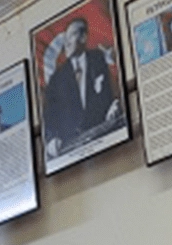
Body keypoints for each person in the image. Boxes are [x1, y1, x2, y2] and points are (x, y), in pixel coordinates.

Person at [42, 17, 122, 158]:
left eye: (71, 36)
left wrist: (116, 102)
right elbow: (50, 115)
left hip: (106, 139)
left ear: (84, 37)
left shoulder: (100, 59)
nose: (66, 42)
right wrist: (52, 139)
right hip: (74, 148)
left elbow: (116, 88)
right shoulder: (57, 79)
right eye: (65, 37)